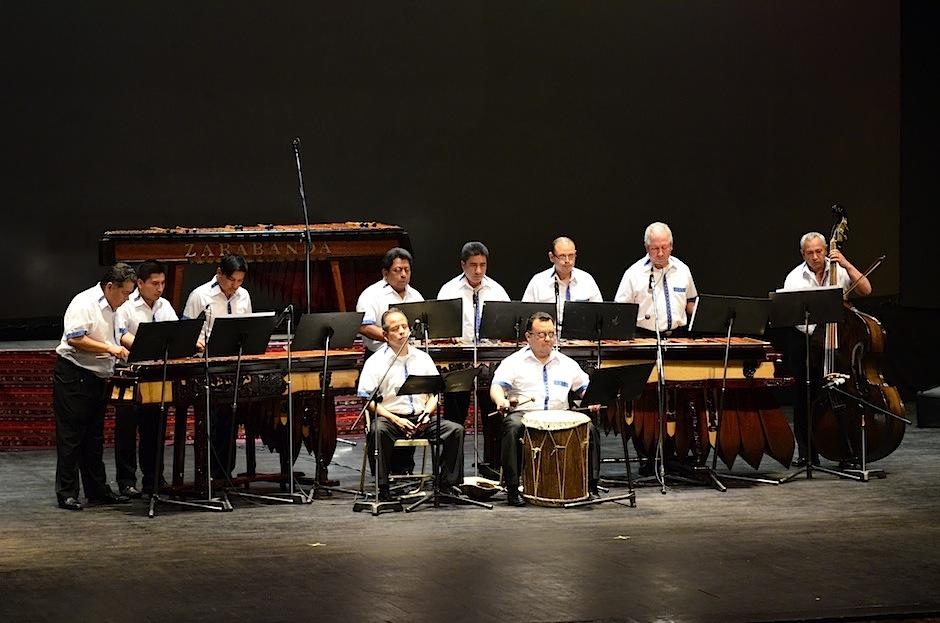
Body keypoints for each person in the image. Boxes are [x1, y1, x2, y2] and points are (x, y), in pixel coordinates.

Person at [489, 312, 602, 506]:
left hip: (562, 414)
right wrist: (501, 400)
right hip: (526, 415)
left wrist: (592, 400)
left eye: (551, 334)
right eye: (542, 334)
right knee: (511, 426)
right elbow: (497, 387)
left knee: (590, 428)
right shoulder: (513, 362)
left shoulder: (567, 363)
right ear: (528, 337)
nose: (548, 339)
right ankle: (513, 488)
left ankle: (590, 485)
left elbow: (585, 388)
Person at [782, 231, 872, 466]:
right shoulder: (794, 279)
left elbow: (866, 290)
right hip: (808, 343)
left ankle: (846, 449)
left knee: (845, 393)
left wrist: (846, 263)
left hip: (840, 344)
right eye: (810, 252)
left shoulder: (839, 271)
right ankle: (807, 453)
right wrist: (820, 333)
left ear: (825, 250)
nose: (815, 256)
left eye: (819, 251)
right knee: (804, 397)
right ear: (803, 254)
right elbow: (794, 317)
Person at [356, 308, 465, 501]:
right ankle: (383, 487)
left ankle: (447, 485)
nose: (402, 332)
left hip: (422, 417)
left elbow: (435, 393)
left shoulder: (423, 358)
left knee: (455, 430)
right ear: (385, 335)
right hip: (391, 418)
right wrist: (395, 419)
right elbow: (369, 401)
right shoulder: (375, 362)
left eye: (404, 327)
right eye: (396, 328)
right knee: (378, 431)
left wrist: (427, 413)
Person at [53, 263, 137, 510]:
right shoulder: (84, 302)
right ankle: (67, 492)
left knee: (94, 437)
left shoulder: (117, 306)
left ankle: (97, 490)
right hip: (75, 375)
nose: (127, 298)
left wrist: (144, 346)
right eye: (124, 293)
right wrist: (109, 348)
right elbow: (76, 338)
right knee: (71, 437)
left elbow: (121, 335)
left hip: (99, 376)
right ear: (110, 286)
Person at [181, 254, 252, 479]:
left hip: (234, 366)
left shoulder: (244, 296)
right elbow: (186, 329)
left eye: (240, 281)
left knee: (230, 421)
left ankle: (225, 473)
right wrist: (195, 341)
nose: (235, 286)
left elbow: (248, 328)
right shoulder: (200, 296)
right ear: (219, 273)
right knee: (211, 422)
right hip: (207, 366)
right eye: (232, 280)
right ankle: (208, 472)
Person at [113, 260, 180, 497]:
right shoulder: (126, 305)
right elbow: (121, 336)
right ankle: (126, 480)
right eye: (154, 283)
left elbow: (176, 333)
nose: (159, 288)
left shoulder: (165, 306)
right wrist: (148, 346)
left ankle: (154, 478)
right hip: (129, 374)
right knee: (127, 431)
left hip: (156, 375)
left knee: (155, 429)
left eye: (162, 283)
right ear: (140, 283)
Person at [614, 222, 697, 335]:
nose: (660, 253)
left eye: (664, 247)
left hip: (679, 336)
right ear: (647, 248)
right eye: (655, 248)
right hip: (644, 337)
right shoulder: (633, 273)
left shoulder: (682, 270)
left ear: (671, 246)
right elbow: (620, 310)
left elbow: (690, 302)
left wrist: (704, 313)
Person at [436, 241, 510, 344]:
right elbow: (439, 327)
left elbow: (508, 327)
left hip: (491, 351)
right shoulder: (448, 291)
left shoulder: (497, 291)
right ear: (463, 265)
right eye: (473, 265)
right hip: (458, 351)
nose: (478, 271)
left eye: (482, 265)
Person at [521, 236, 603, 329]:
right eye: (562, 256)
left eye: (571, 256)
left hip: (581, 337)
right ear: (551, 257)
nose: (567, 261)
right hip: (547, 338)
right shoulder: (538, 281)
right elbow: (526, 317)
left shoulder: (587, 280)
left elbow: (599, 314)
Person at [356, 247, 423, 354]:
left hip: (413, 353)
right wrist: (393, 338)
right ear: (385, 273)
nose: (403, 275)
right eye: (398, 270)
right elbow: (365, 327)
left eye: (407, 270)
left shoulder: (415, 295)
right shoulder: (371, 294)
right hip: (379, 354)